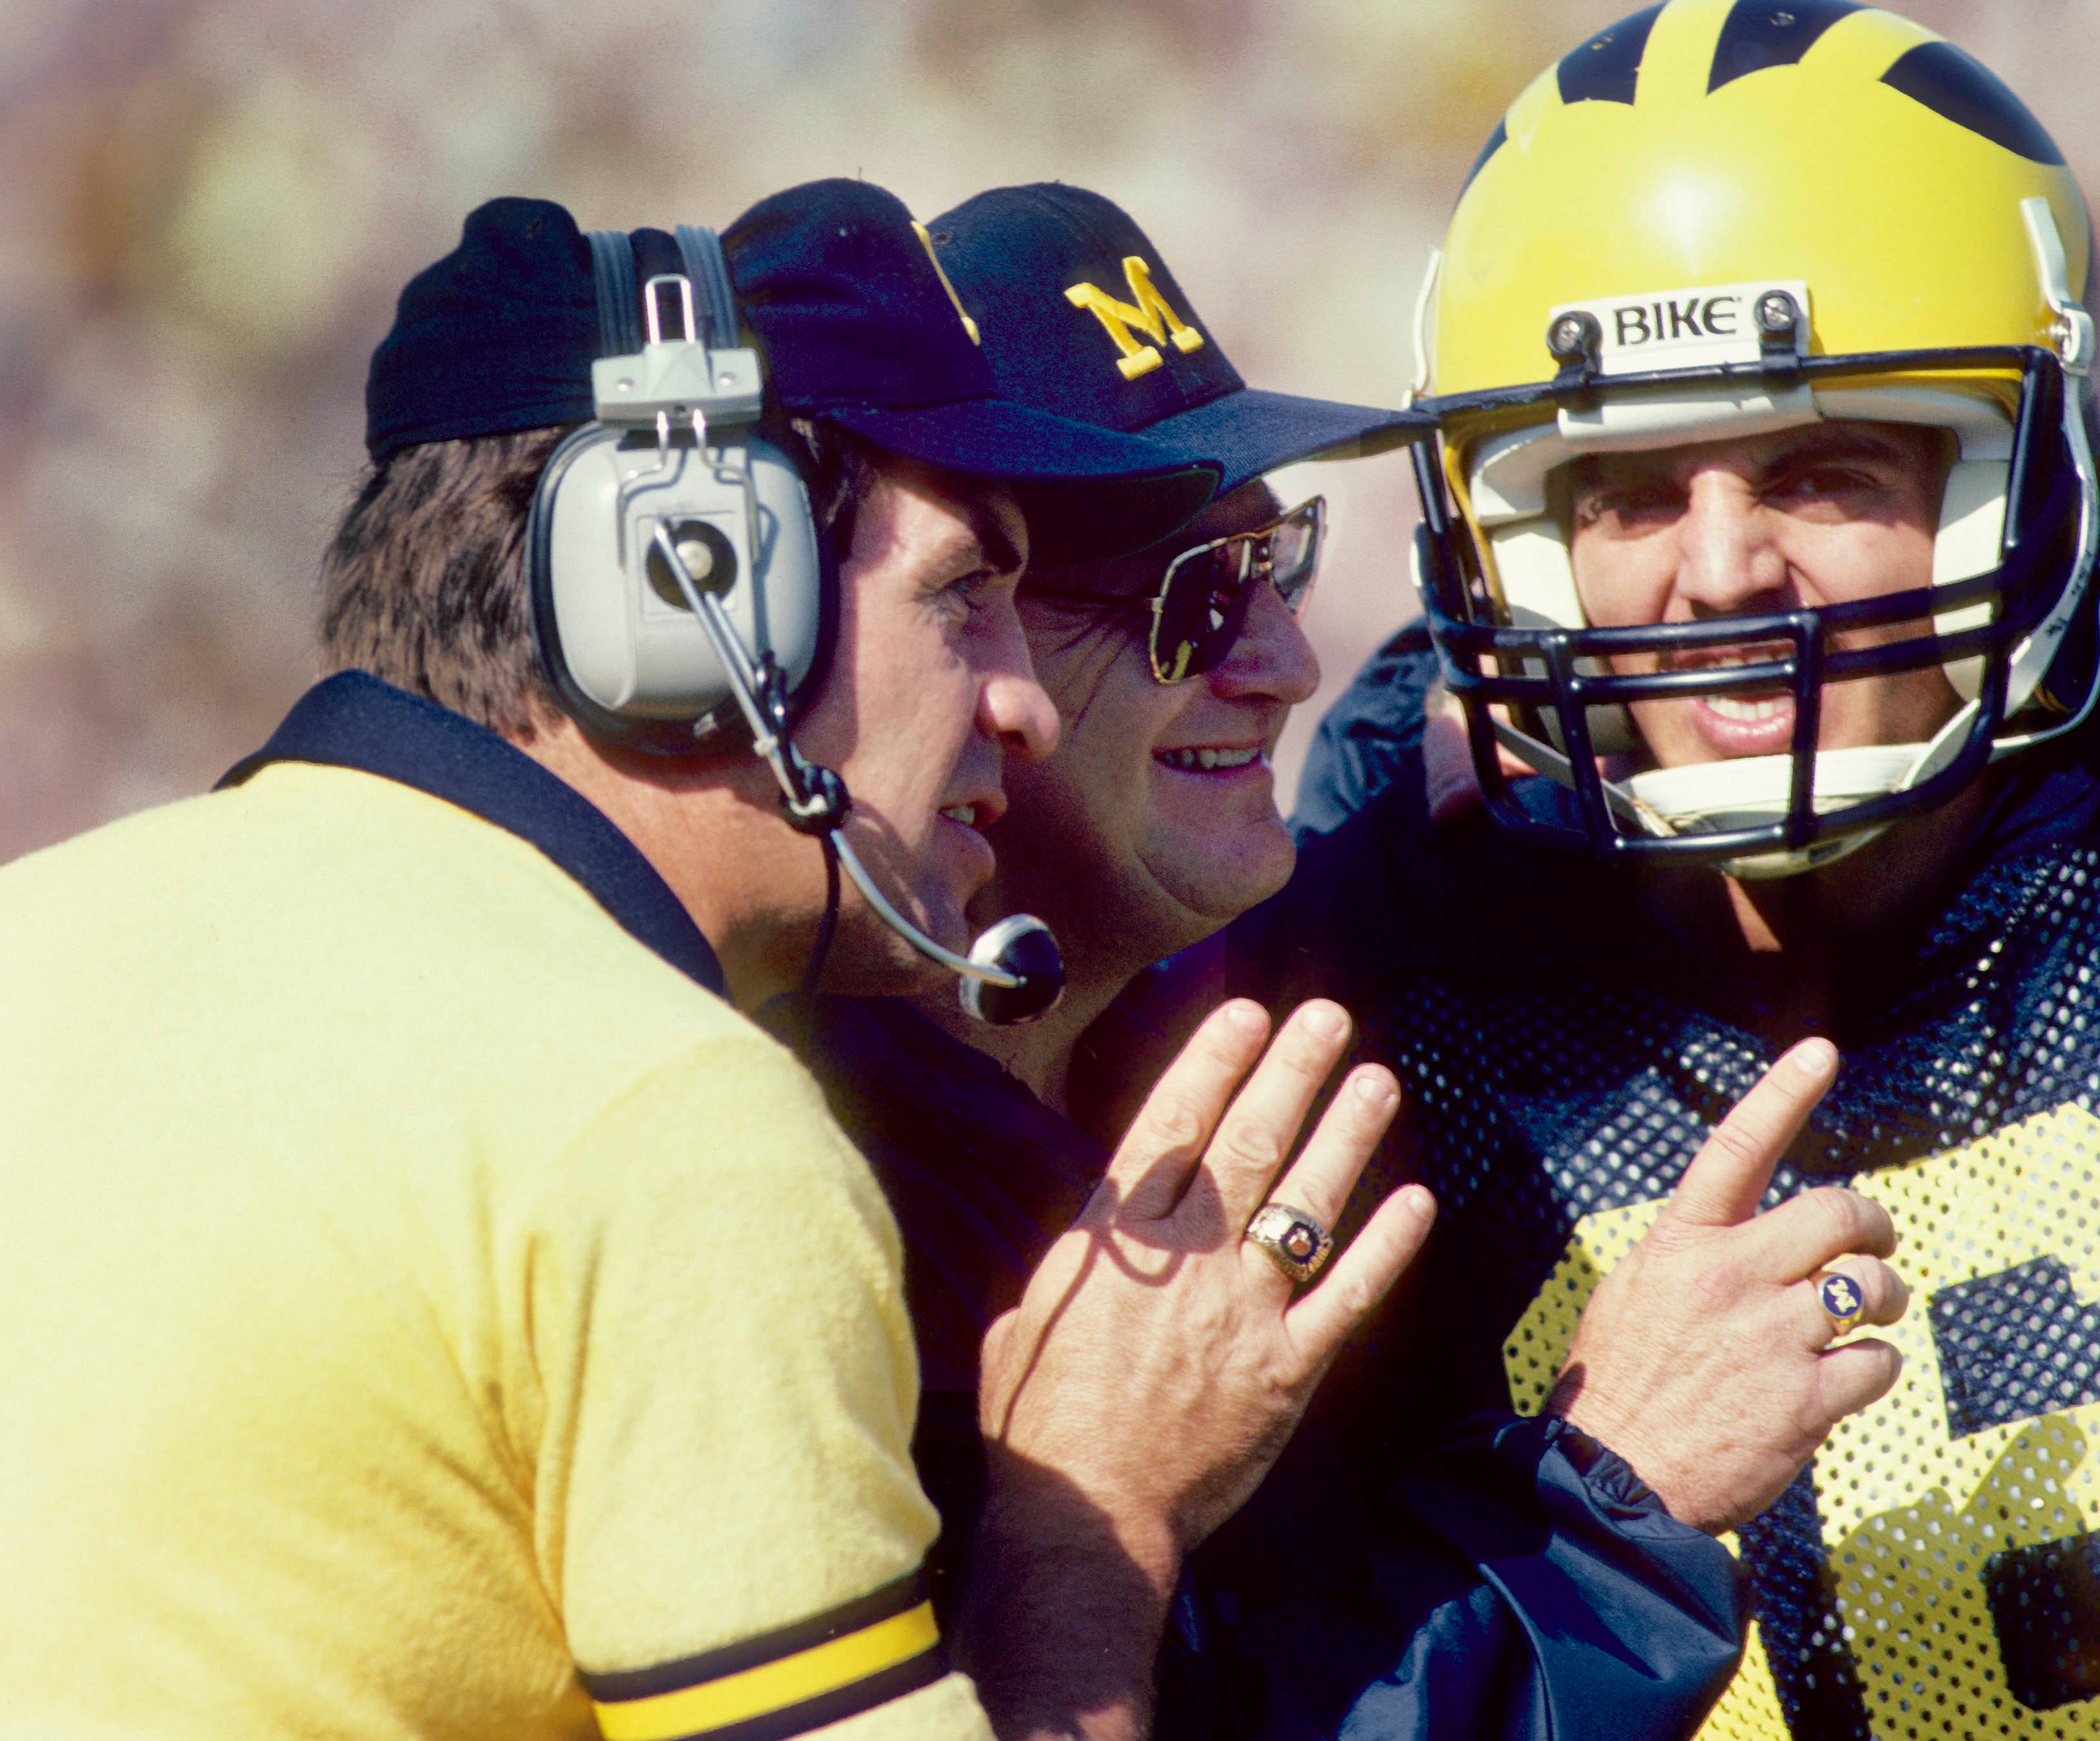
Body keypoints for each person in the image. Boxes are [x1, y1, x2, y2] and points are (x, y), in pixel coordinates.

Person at [0, 177, 1429, 1741]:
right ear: (692, 590)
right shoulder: (670, 1121)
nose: (1016, 703)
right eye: (967, 595)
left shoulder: (41, 924)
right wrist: (1098, 1513)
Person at [1255, 1, 2100, 1735]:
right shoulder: (1374, 984)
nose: (1720, 571)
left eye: (1822, 468)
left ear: (2031, 481)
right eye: (1623, 491)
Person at [774, 181, 1917, 1740]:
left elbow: (1333, 823)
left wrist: (1475, 717)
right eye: (1193, 603)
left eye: (1278, 563)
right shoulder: (796, 1220)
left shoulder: (1176, 1011)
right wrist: (1612, 1498)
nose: (1284, 661)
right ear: (959, 640)